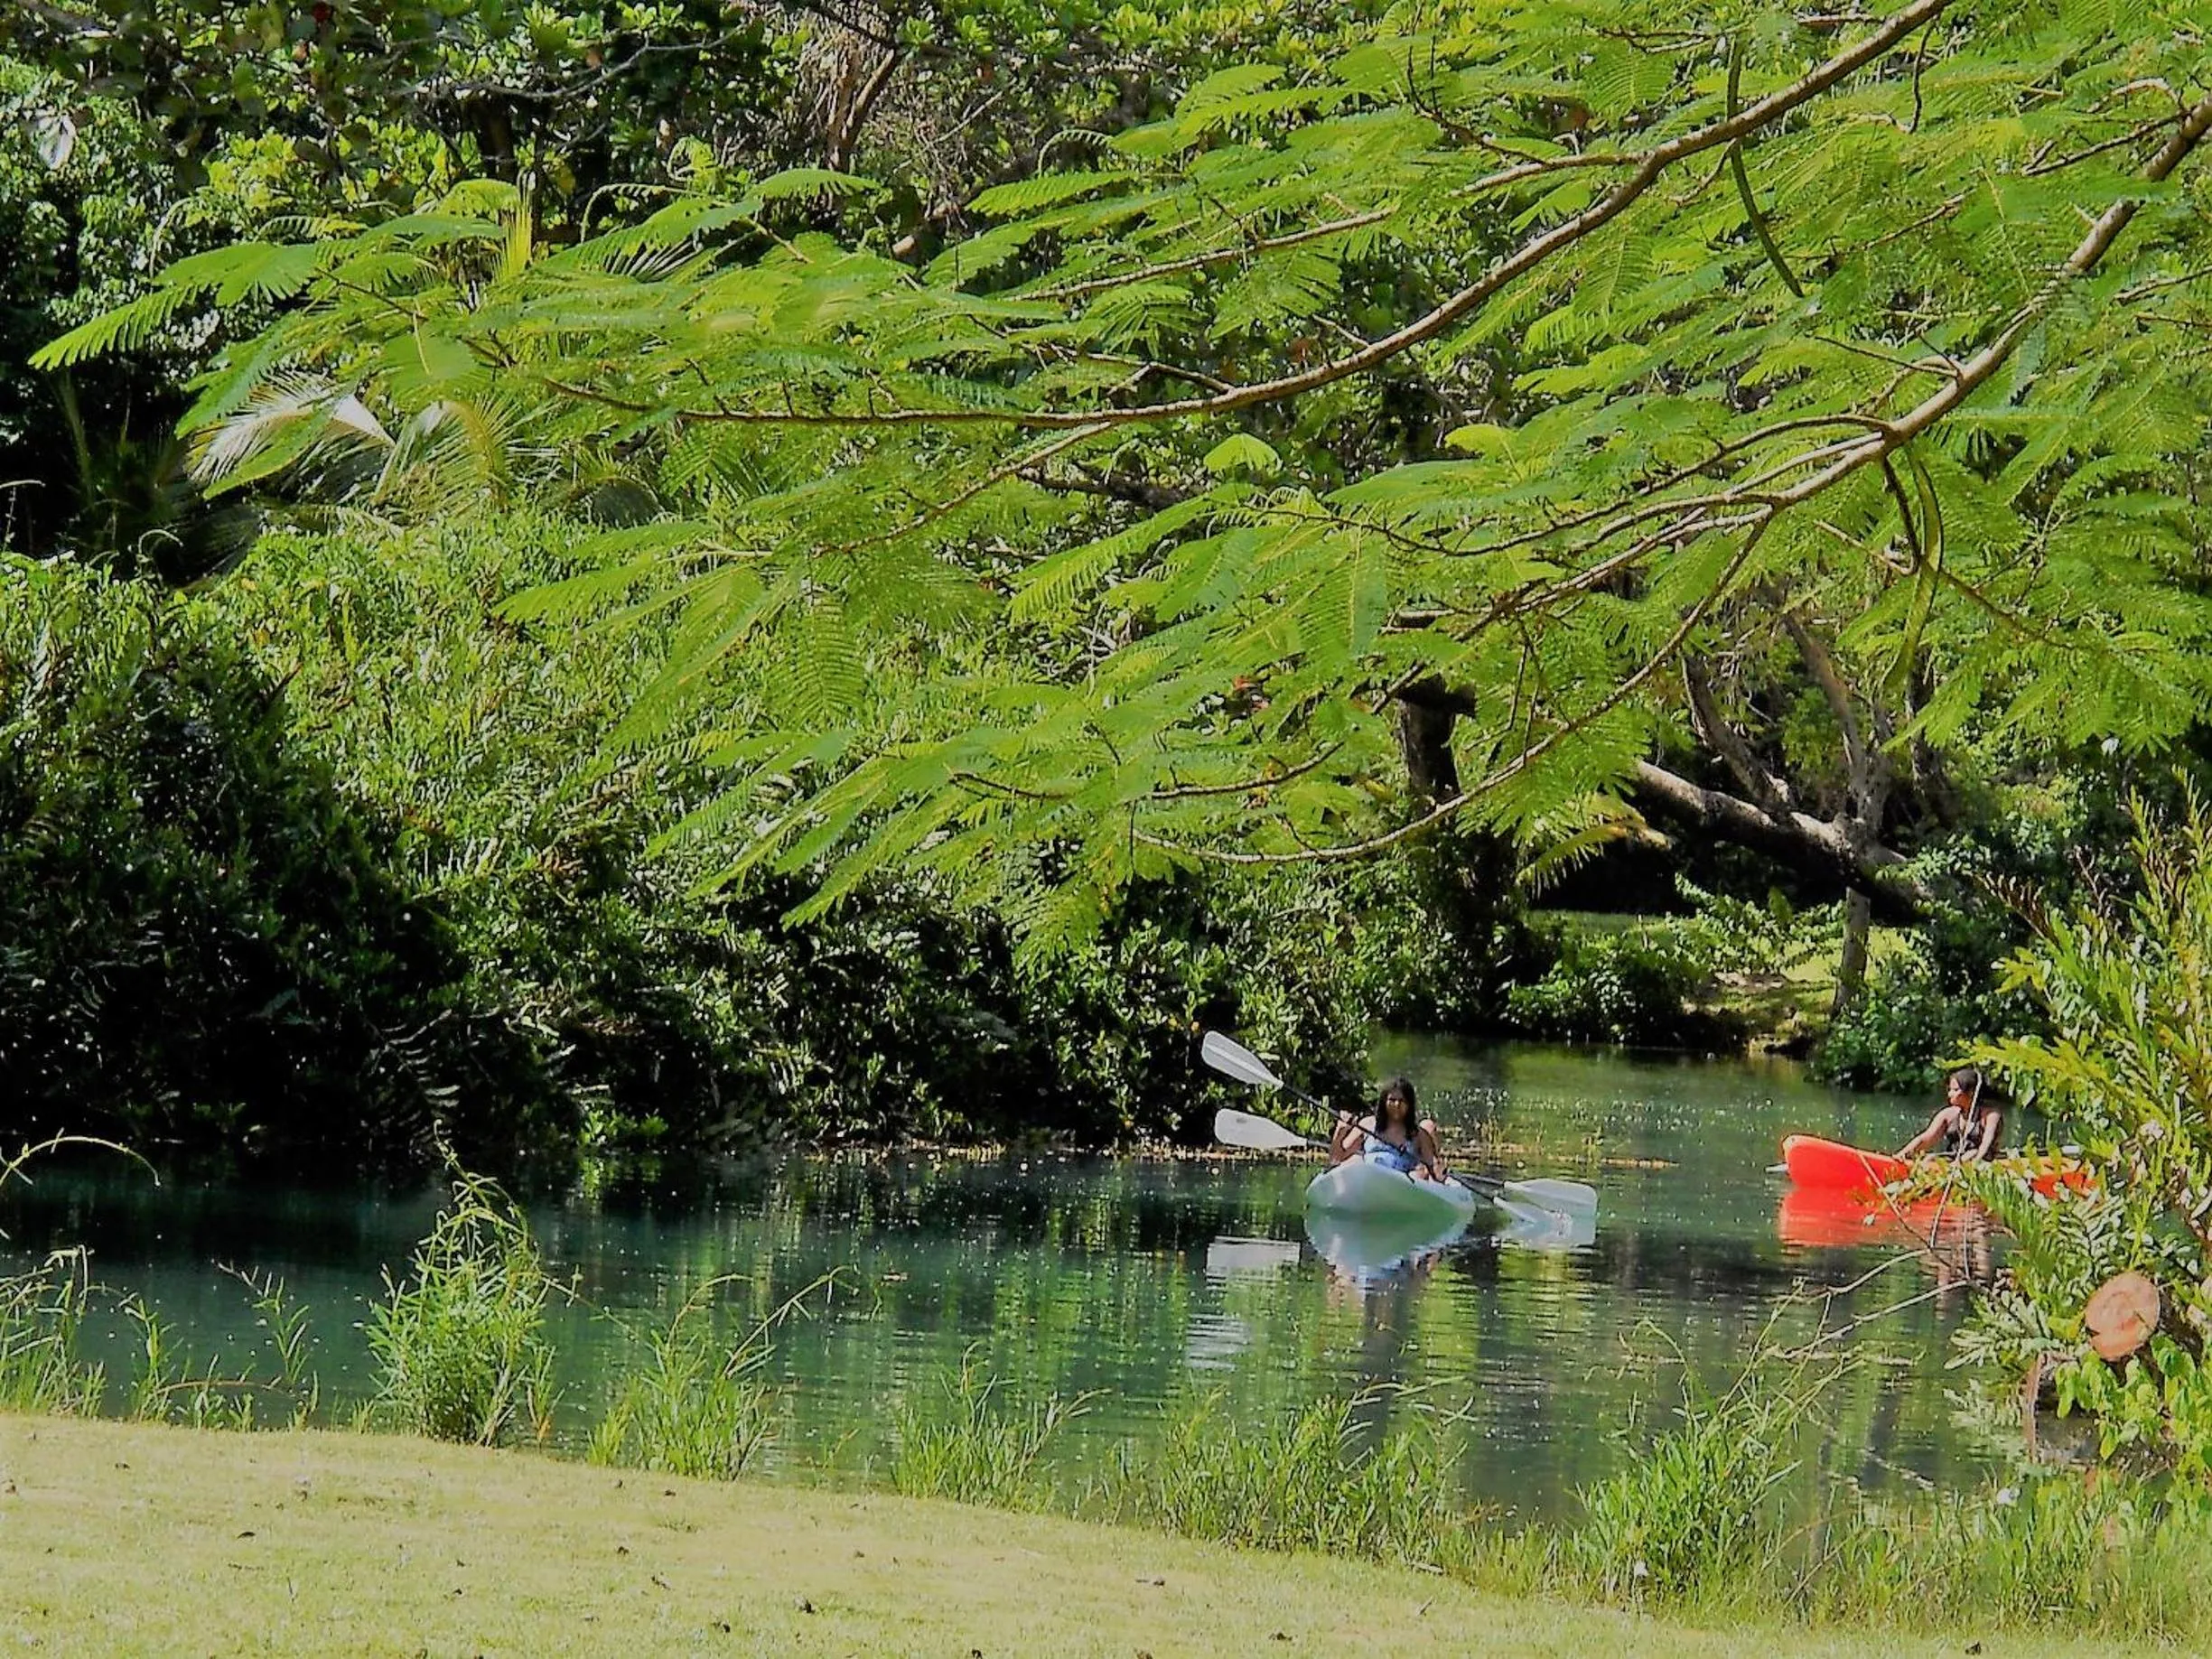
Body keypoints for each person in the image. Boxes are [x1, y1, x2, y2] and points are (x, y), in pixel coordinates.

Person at [1327, 1076, 1448, 1183]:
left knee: (1418, 1174)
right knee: (1354, 1161)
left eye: (1402, 1101)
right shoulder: (1367, 1124)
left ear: (1409, 1105)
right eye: (1392, 1100)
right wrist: (1340, 1131)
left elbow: (1434, 1169)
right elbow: (1335, 1159)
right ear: (1384, 1102)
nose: (1396, 1105)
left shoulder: (1419, 1134)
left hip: (1402, 1186)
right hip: (1370, 1181)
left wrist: (1438, 1168)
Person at [1898, 1067, 2004, 1163]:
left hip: (1980, 1161)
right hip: (1954, 1159)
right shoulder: (1948, 1114)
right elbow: (1926, 1139)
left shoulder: (1991, 1115)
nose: (1950, 1094)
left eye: (1955, 1090)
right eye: (1950, 1090)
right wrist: (1902, 1154)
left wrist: (1974, 1164)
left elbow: (1986, 1144)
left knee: (1971, 1154)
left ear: (1971, 1092)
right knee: (1929, 1158)